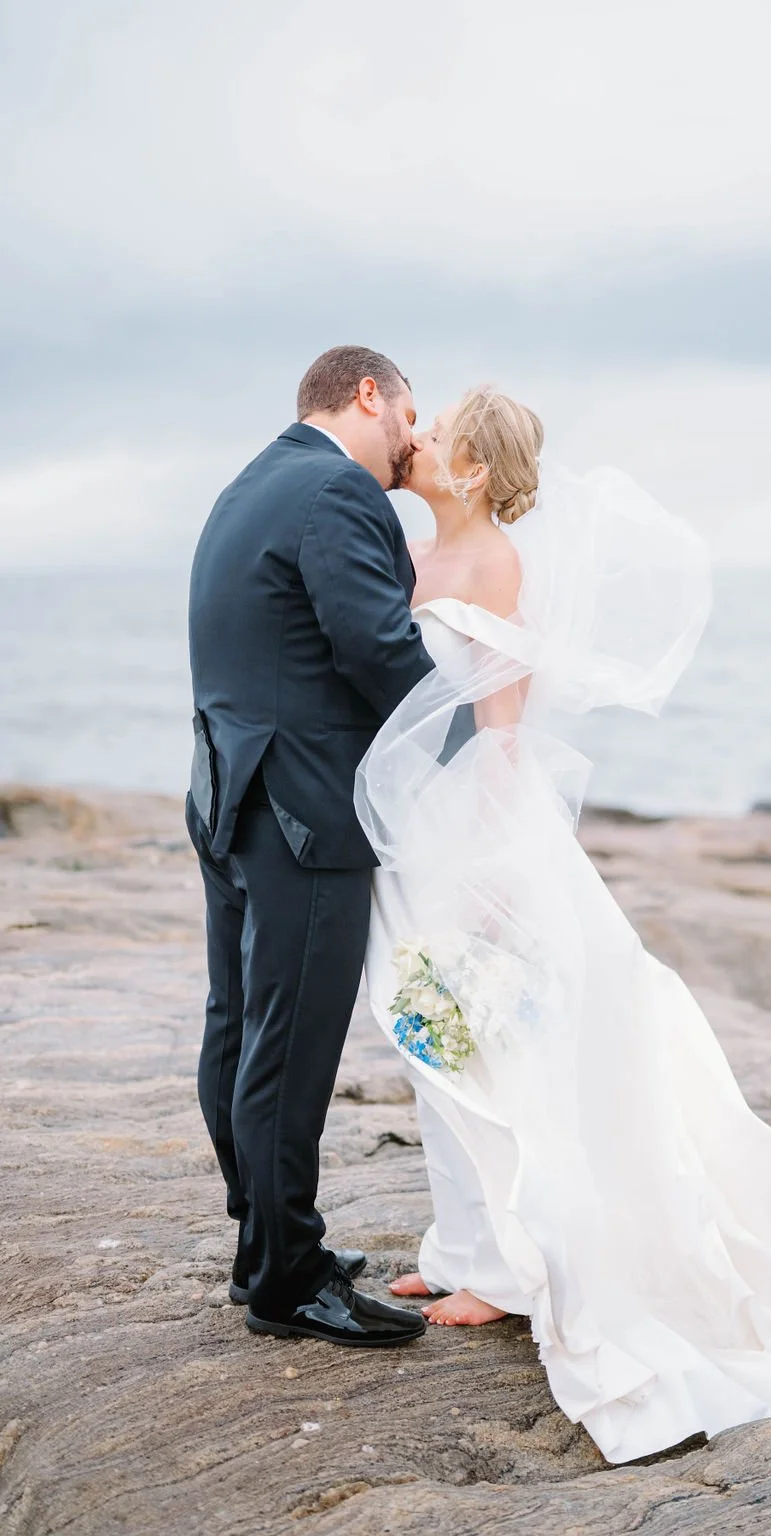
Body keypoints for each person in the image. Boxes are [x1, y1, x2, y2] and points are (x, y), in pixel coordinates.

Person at [356, 386, 771, 1463]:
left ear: (472, 469)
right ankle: (464, 1242)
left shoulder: (491, 566)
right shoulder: (418, 555)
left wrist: (493, 871)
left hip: (481, 839)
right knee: (436, 1044)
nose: (414, 439)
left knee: (486, 1042)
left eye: (433, 435)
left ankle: (504, 1268)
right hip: (422, 833)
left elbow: (503, 733)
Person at [186, 345, 433, 1347]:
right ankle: (289, 1281)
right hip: (303, 814)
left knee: (241, 1030)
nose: (412, 439)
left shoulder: (252, 482)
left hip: (229, 796)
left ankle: (267, 1248)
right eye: (408, 414)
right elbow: (376, 645)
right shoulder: (334, 491)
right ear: (367, 394)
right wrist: (463, 744)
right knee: (285, 1049)